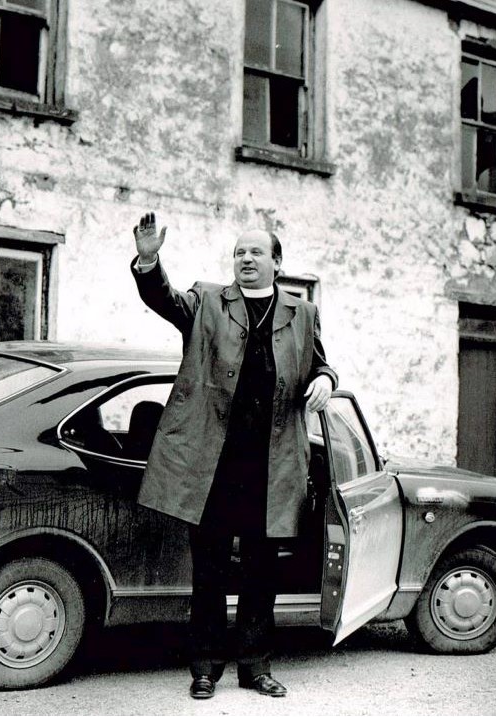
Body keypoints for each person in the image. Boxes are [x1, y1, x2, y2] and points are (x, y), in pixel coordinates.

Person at [130, 212, 337, 699]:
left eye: (255, 252)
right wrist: (147, 259)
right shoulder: (206, 301)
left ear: (276, 262)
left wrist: (326, 380)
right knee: (210, 570)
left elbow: (319, 362)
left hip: (273, 463)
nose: (245, 259)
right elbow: (163, 298)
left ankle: (255, 666)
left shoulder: (302, 314)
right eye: (239, 252)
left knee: (262, 571)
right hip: (213, 464)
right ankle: (204, 666)